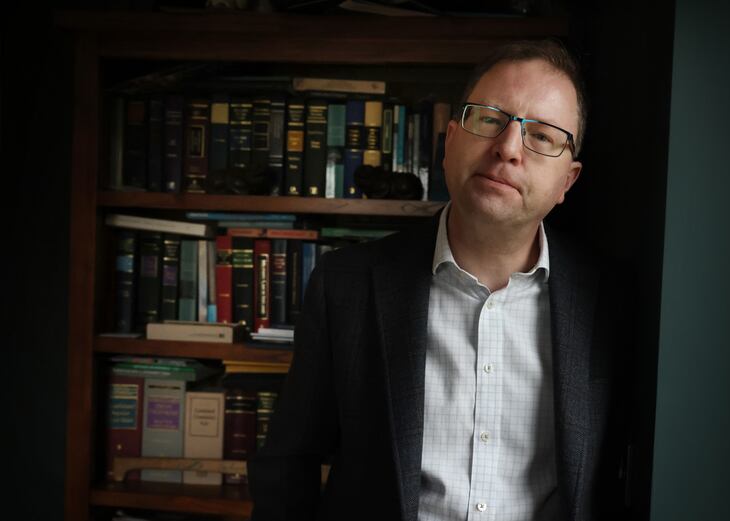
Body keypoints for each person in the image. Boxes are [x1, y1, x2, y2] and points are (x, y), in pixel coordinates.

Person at [249, 39, 629, 521]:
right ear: (450, 141)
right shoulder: (345, 285)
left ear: (567, 182)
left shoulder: (610, 301)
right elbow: (288, 467)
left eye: (543, 136)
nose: (508, 148)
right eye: (490, 118)